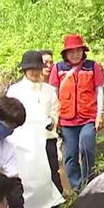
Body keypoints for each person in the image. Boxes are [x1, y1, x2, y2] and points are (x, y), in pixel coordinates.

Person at [7, 50, 65, 208]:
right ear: (24, 70)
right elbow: (11, 112)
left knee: (51, 170)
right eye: (30, 68)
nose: (34, 71)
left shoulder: (48, 90)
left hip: (46, 137)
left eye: (37, 68)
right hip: (24, 140)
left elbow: (55, 109)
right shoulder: (15, 90)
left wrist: (52, 121)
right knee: (26, 175)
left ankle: (54, 204)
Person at [47, 35, 104, 191]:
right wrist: (55, 117)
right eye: (71, 51)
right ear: (65, 54)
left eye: (78, 50)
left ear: (83, 51)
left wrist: (99, 115)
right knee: (70, 155)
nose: (75, 54)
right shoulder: (58, 69)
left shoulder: (93, 67)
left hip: (88, 118)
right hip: (66, 119)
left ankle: (89, 183)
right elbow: (53, 95)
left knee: (87, 147)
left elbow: (99, 91)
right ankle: (76, 187)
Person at [39, 50, 62, 194]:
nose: (48, 66)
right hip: (39, 134)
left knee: (55, 165)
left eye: (51, 62)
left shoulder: (58, 82)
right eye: (44, 63)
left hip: (56, 129)